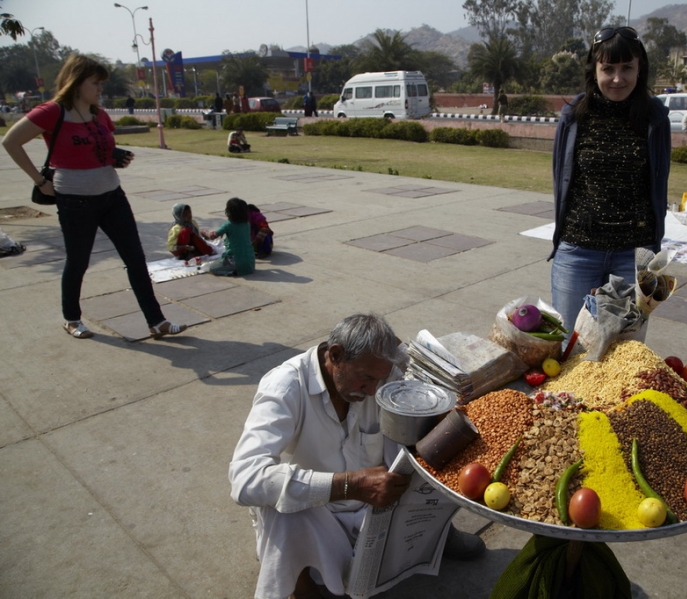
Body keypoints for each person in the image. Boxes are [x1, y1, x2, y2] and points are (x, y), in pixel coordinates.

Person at [229, 313, 485, 599]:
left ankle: (437, 535)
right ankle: (301, 588)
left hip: (376, 504)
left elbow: (426, 382)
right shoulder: (285, 386)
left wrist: (404, 356)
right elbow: (245, 479)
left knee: (439, 444)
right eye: (366, 378)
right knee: (278, 506)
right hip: (319, 513)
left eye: (380, 378)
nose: (374, 390)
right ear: (335, 355)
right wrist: (350, 485)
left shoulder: (381, 375)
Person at [1, 54, 186, 340]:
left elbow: (98, 150)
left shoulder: (99, 114)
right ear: (76, 83)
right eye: (95, 83)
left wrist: (116, 158)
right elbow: (10, 141)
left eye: (101, 84)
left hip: (112, 196)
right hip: (75, 200)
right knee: (78, 262)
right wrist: (39, 180)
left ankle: (156, 321)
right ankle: (72, 318)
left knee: (136, 259)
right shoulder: (52, 112)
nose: (100, 89)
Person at [549, 26, 671, 333]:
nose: (618, 78)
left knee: (626, 350)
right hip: (578, 251)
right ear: (594, 70)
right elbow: (561, 179)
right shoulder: (573, 116)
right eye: (608, 69)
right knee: (569, 342)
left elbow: (659, 182)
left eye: (627, 67)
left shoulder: (655, 118)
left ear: (640, 69)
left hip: (634, 256)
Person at [203, 197, 255, 276]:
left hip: (235, 260)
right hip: (250, 261)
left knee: (212, 268)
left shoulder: (228, 225)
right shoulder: (247, 224)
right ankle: (239, 269)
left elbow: (212, 236)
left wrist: (205, 232)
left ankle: (232, 271)